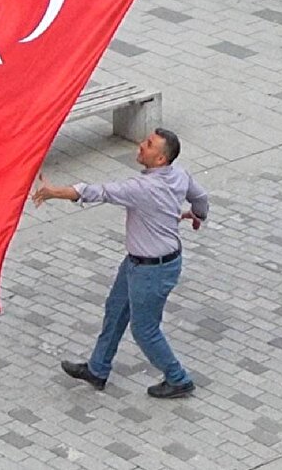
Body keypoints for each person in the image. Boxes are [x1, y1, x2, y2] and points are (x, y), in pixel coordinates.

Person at [33, 129, 209, 399]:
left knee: (145, 329)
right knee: (116, 311)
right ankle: (98, 369)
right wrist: (197, 215)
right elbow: (200, 198)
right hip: (139, 264)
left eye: (148, 145)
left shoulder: (142, 188)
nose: (141, 146)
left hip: (152, 270)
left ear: (161, 159)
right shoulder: (179, 174)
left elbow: (98, 192)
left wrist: (55, 192)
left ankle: (178, 378)